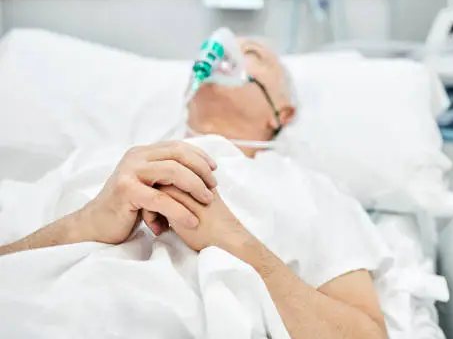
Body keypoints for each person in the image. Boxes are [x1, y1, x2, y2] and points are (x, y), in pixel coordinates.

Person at [0, 39, 388, 339]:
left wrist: (233, 241)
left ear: (282, 112)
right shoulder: (97, 164)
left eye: (251, 52)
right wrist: (85, 224)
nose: (224, 51)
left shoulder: (312, 192)